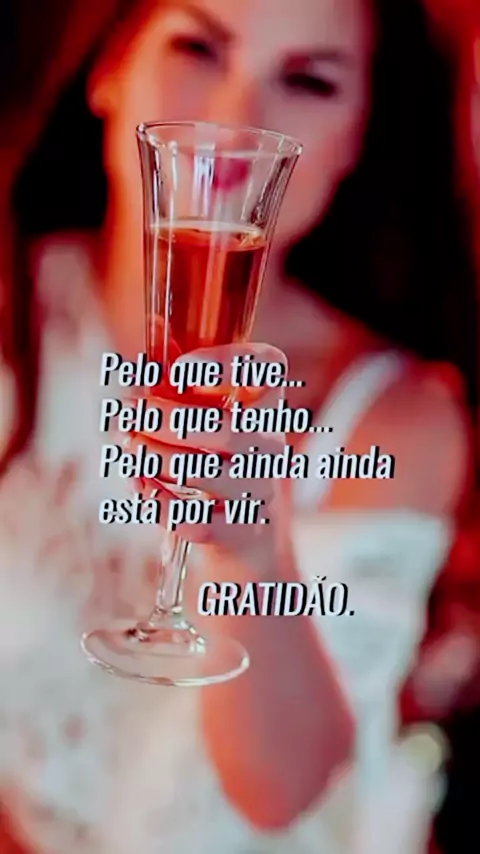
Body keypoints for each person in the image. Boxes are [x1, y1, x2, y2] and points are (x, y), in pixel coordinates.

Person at [0, 0, 478, 853]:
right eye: (198, 47)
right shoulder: (20, 309)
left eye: (308, 81)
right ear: (109, 70)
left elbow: (284, 793)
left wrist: (252, 555)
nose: (234, 118)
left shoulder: (391, 418)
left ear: (357, 138)